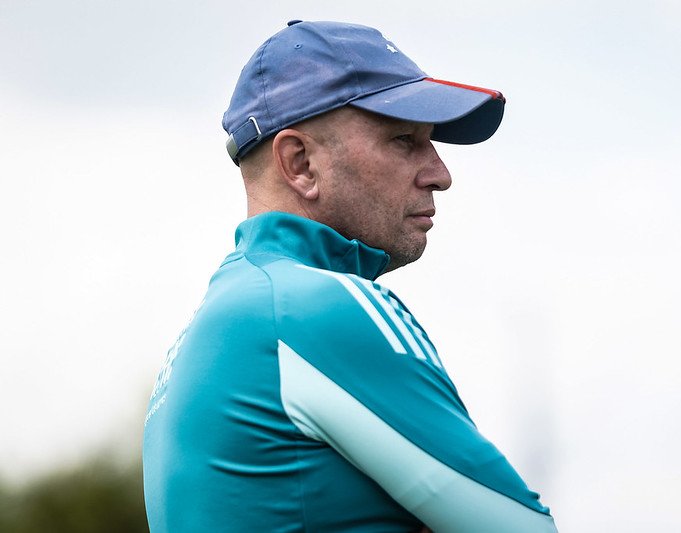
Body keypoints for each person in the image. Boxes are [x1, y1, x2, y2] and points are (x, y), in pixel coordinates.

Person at [142, 20, 557, 532]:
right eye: (404, 139)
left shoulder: (211, 331)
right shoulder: (316, 309)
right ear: (301, 164)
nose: (440, 174)